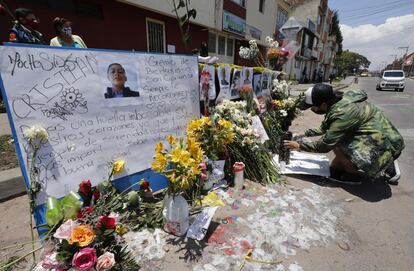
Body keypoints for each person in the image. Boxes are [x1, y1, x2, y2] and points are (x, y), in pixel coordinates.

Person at [284, 83, 404, 185]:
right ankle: (387, 160)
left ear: (324, 105)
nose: (313, 110)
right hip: (386, 138)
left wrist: (298, 145)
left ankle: (354, 175)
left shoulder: (342, 114)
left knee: (337, 144)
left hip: (380, 142)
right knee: (334, 167)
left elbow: (325, 145)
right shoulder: (342, 100)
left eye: (313, 107)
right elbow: (327, 126)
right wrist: (304, 133)